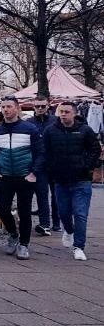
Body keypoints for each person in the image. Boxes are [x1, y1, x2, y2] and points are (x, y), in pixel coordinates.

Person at [43, 101, 101, 261]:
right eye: (61, 111)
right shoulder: (50, 131)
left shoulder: (85, 130)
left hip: (81, 180)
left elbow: (95, 149)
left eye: (67, 111)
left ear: (74, 113)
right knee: (64, 213)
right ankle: (68, 230)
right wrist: (51, 167)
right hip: (60, 180)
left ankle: (79, 247)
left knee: (80, 214)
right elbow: (45, 151)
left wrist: (87, 166)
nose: (63, 114)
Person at [0, 94, 44, 261]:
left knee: (25, 212)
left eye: (9, 107)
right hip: (4, 177)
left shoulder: (30, 129)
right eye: (3, 107)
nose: (5, 110)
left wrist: (33, 173)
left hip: (25, 177)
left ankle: (24, 244)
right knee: (2, 209)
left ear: (17, 108)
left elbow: (40, 153)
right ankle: (13, 234)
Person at [29, 96, 58, 236]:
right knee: (42, 195)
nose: (40, 109)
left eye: (43, 106)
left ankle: (57, 223)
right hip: (38, 165)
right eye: (37, 106)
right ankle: (45, 224)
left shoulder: (56, 121)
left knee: (57, 195)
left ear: (48, 106)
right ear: (33, 107)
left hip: (55, 164)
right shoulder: (29, 123)